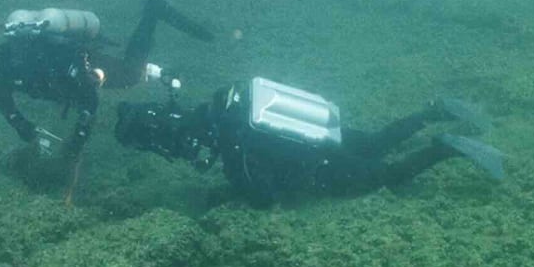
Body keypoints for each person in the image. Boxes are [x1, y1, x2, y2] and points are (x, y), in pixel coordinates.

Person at [114, 76, 503, 206]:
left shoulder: (230, 143)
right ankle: (431, 111)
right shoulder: (224, 101)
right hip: (321, 133)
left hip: (321, 162)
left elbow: (261, 197)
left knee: (384, 175)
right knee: (376, 141)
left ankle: (446, 146)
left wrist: (231, 191)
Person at [0, 0, 213, 172]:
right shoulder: (8, 60)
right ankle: (152, 24)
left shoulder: (51, 64)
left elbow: (90, 101)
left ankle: (154, 11)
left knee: (131, 74)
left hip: (86, 61)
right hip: (64, 72)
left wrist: (79, 138)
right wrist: (20, 124)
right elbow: (1, 96)